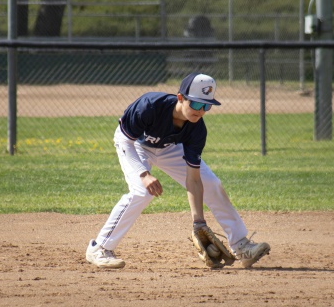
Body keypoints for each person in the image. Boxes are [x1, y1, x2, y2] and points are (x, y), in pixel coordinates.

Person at [86, 72, 270, 269]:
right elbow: (125, 141)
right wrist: (144, 174)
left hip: (170, 147)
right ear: (180, 98)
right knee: (141, 191)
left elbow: (194, 179)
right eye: (196, 104)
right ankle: (100, 248)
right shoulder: (149, 106)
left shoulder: (197, 129)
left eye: (207, 106)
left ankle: (241, 245)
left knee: (211, 183)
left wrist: (199, 222)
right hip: (135, 145)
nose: (201, 111)